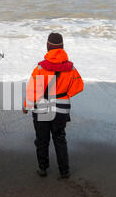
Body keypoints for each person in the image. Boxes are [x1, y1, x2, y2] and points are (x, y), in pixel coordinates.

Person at [23, 33, 84, 179]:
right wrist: (65, 94)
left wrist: (27, 105)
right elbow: (79, 86)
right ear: (62, 47)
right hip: (62, 108)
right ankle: (64, 171)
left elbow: (33, 90)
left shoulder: (40, 68)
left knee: (42, 140)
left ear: (48, 46)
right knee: (59, 138)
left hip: (42, 108)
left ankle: (43, 169)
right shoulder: (71, 68)